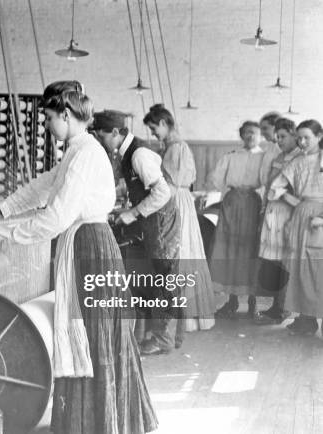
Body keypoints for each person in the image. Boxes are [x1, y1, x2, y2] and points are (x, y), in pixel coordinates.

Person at [0, 87, 158, 433]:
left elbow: (58, 216)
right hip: (90, 244)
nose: (46, 125)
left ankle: (95, 423)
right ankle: (96, 420)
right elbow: (47, 184)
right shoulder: (79, 151)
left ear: (65, 115)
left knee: (90, 331)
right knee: (93, 331)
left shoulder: (87, 154)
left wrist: (9, 234)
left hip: (90, 247)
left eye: (48, 118)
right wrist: (4, 209)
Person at [92, 110, 181, 355]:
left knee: (164, 275)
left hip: (161, 221)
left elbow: (162, 193)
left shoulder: (139, 154)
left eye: (102, 137)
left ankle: (163, 339)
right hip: (153, 219)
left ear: (116, 133)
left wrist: (132, 213)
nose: (100, 142)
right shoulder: (125, 152)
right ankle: (169, 336)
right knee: (159, 274)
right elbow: (128, 184)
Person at [144, 104, 216, 333]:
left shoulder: (176, 148)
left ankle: (184, 317)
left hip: (176, 203)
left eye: (155, 128)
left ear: (165, 124)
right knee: (185, 252)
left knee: (180, 253)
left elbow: (171, 185)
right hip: (180, 200)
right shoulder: (175, 146)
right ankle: (188, 316)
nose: (154, 133)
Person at [268, 119, 323, 335]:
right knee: (301, 269)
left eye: (306, 137)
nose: (301, 142)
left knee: (317, 268)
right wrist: (296, 202)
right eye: (299, 137)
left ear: (319, 137)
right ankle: (306, 319)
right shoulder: (298, 161)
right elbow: (275, 188)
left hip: (319, 219)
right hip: (302, 216)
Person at [207, 121, 267, 318]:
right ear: (241, 135)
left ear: (261, 136)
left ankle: (253, 301)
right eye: (247, 133)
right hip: (232, 204)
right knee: (230, 249)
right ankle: (231, 300)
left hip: (252, 203)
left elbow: (268, 182)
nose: (251, 137)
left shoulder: (265, 157)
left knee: (251, 250)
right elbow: (216, 180)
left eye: (255, 133)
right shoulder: (231, 156)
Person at [256, 117, 301, 324]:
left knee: (286, 264)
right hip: (272, 213)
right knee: (274, 264)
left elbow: (298, 192)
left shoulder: (300, 158)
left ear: (294, 134)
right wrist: (263, 209)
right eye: (277, 137)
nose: (279, 140)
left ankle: (286, 308)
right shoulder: (279, 156)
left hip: (288, 215)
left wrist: (282, 194)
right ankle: (276, 307)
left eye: (283, 136)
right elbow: (269, 186)